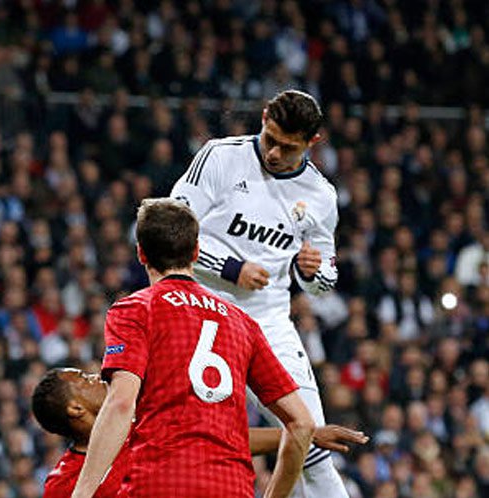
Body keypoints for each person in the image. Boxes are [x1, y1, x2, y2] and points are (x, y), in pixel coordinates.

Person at [71, 198, 316, 498]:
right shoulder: (242, 323)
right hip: (231, 487)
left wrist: (82, 492)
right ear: (196, 252)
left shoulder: (136, 309)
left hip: (160, 483)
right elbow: (302, 423)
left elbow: (121, 403)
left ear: (141, 254)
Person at [170, 89, 347, 497]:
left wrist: (313, 272)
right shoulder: (221, 157)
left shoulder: (320, 197)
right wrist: (231, 269)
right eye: (270, 139)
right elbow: (171, 231)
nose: (274, 154)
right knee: (193, 440)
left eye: (288, 148)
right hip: (203, 315)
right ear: (264, 117)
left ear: (312, 143)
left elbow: (326, 280)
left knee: (312, 442)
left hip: (268, 322)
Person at [31, 367, 369, 498]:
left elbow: (218, 439)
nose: (98, 378)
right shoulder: (64, 484)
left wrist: (304, 432)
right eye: (85, 381)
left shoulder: (145, 425)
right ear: (75, 410)